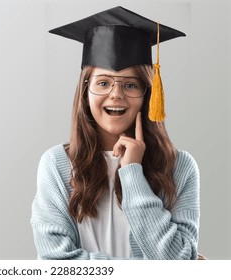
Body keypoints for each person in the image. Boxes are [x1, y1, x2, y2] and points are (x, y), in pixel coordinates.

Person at [30, 6, 201, 260]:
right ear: (85, 92)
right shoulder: (57, 164)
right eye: (103, 83)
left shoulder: (180, 167)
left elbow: (176, 262)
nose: (116, 94)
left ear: (148, 94)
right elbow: (56, 263)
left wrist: (133, 174)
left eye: (130, 84)